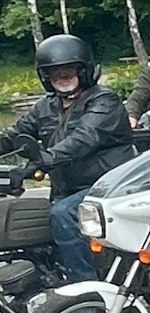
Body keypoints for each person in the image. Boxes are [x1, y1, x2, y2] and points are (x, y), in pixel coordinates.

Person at [0, 35, 135, 281]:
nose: (62, 76)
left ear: (84, 70)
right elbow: (12, 135)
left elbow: (83, 138)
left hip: (108, 187)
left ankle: (85, 291)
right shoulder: (45, 107)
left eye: (69, 69)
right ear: (46, 77)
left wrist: (43, 159)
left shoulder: (104, 101)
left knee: (63, 214)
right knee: (24, 212)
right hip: (68, 188)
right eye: (54, 72)